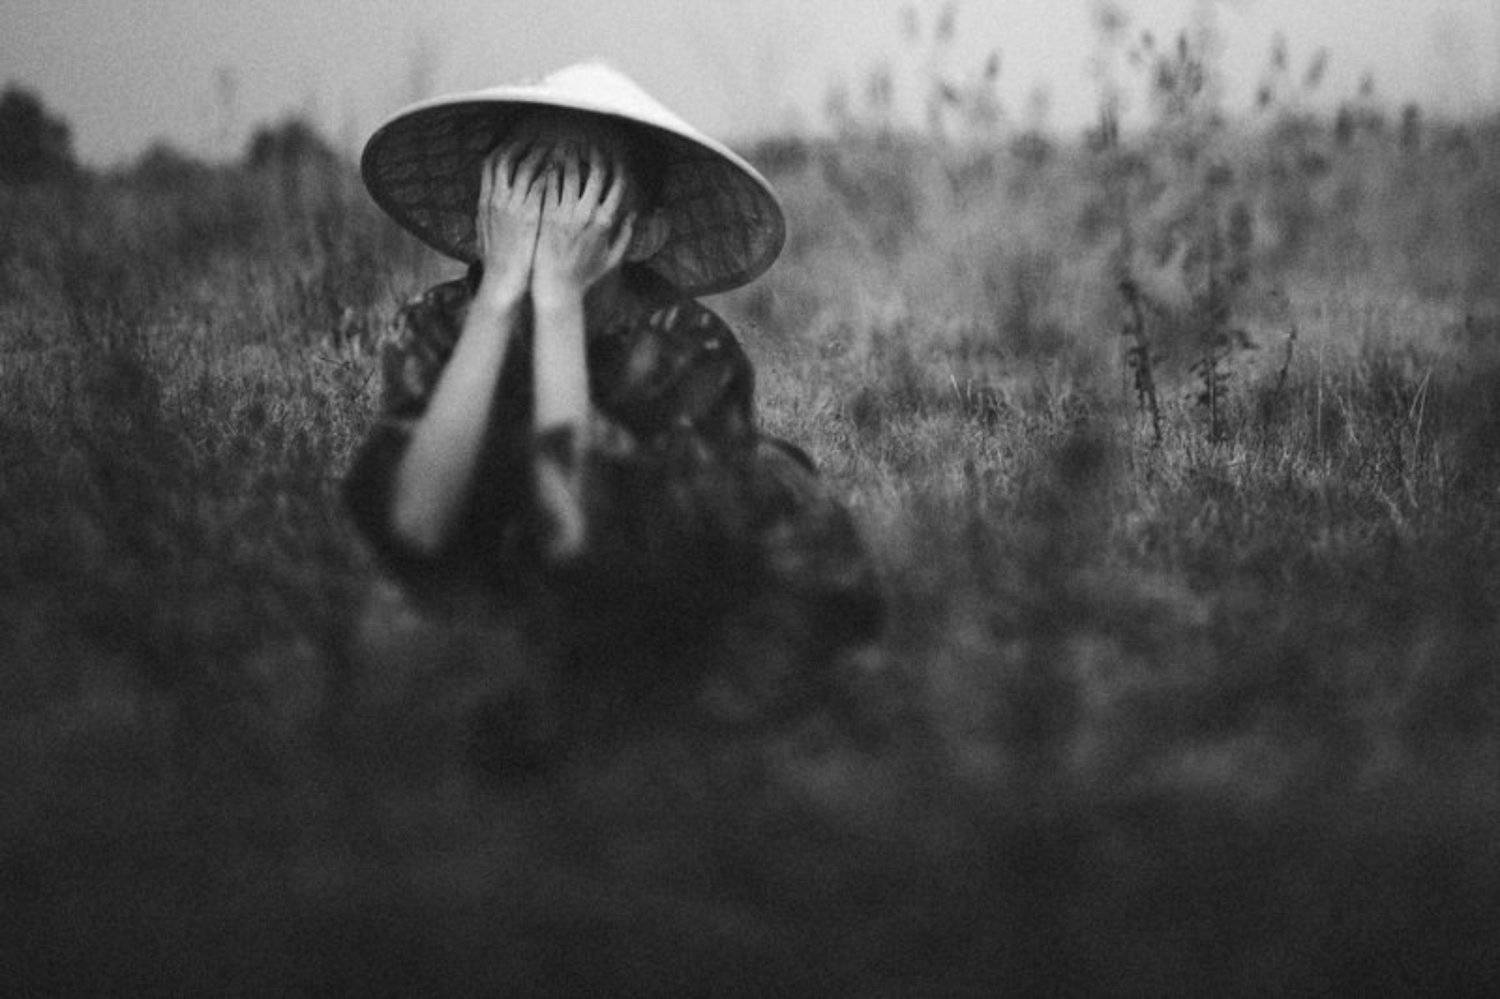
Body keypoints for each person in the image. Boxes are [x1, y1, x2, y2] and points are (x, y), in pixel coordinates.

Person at [344, 63, 881, 767]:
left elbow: (582, 540)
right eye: (522, 177)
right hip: (495, 592)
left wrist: (559, 303)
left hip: (643, 601)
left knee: (776, 486)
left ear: (642, 234)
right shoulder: (439, 324)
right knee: (390, 640)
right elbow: (416, 523)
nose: (548, 207)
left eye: (582, 187)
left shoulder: (688, 348)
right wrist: (499, 293)